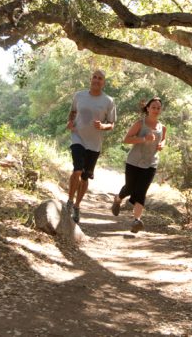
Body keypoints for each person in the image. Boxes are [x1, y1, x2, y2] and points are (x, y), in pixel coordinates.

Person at [66, 69, 116, 223]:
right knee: (77, 169)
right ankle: (69, 201)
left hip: (94, 144)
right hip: (78, 137)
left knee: (85, 176)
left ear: (103, 82)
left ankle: (77, 206)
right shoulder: (79, 95)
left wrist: (102, 126)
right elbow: (73, 112)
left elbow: (112, 124)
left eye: (100, 78)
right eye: (94, 77)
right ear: (90, 79)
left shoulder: (108, 101)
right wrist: (70, 121)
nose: (96, 80)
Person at [111, 97, 166, 233]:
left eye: (158, 108)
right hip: (134, 162)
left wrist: (161, 145)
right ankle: (118, 199)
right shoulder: (140, 124)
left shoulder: (162, 127)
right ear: (148, 108)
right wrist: (143, 139)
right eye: (153, 107)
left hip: (151, 163)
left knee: (141, 191)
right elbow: (126, 140)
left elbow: (163, 140)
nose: (156, 110)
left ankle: (137, 220)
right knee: (130, 188)